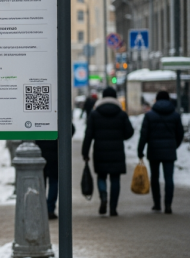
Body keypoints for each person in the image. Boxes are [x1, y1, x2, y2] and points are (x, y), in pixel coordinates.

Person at [82, 87, 134, 216]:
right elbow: (130, 132)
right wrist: (120, 136)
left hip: (100, 150)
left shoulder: (94, 114)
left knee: (101, 176)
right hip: (117, 151)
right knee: (115, 179)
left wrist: (85, 152)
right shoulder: (121, 114)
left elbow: (88, 135)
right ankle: (113, 208)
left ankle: (103, 196)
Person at [137, 91, 184, 214]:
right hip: (169, 150)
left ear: (156, 100)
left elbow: (144, 135)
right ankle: (168, 205)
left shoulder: (149, 116)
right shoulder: (175, 115)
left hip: (154, 150)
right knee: (169, 178)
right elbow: (180, 134)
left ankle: (157, 204)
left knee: (155, 178)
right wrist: (174, 145)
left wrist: (140, 150)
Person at [36, 124, 75, 220]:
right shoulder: (57, 115)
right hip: (56, 154)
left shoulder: (38, 116)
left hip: (40, 153)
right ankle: (50, 209)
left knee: (41, 183)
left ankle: (41, 209)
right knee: (54, 182)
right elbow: (71, 128)